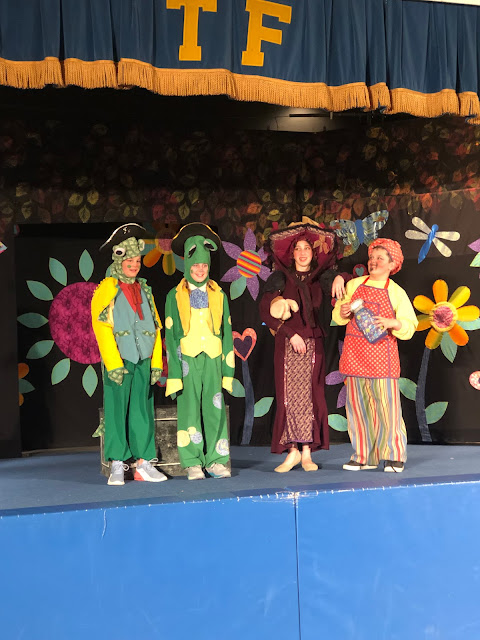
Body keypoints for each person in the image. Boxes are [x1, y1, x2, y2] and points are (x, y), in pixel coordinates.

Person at [260, 218, 348, 472]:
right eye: (297, 248)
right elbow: (266, 310)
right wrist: (290, 334)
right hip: (288, 343)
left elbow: (344, 282)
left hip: (313, 344)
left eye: (306, 248)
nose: (302, 253)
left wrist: (340, 277)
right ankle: (292, 451)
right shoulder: (280, 278)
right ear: (291, 254)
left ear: (313, 252)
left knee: (310, 396)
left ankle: (307, 452)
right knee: (288, 397)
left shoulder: (320, 278)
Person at [332, 238, 418, 473]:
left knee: (388, 411)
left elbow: (410, 325)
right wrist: (343, 311)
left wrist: (393, 323)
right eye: (372, 258)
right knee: (358, 410)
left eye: (380, 258)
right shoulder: (354, 285)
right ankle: (364, 457)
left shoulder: (396, 292)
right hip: (354, 356)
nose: (373, 262)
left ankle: (394, 456)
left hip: (382, 361)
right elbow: (339, 316)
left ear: (392, 264)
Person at [91, 223, 167, 485]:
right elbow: (101, 329)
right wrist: (113, 364)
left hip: (142, 359)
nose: (134, 265)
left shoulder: (145, 289)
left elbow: (155, 326)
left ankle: (144, 464)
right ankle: (117, 463)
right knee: (116, 411)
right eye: (130, 261)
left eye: (137, 261)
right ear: (119, 259)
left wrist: (155, 362)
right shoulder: (107, 288)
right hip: (120, 361)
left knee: (142, 411)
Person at [165, 223, 234, 480]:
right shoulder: (174, 296)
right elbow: (170, 336)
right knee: (189, 409)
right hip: (187, 358)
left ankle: (216, 460)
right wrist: (174, 373)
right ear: (187, 264)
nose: (200, 269)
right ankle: (193, 461)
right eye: (195, 265)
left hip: (213, 357)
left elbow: (227, 332)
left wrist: (228, 370)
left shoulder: (219, 294)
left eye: (204, 265)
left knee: (215, 410)